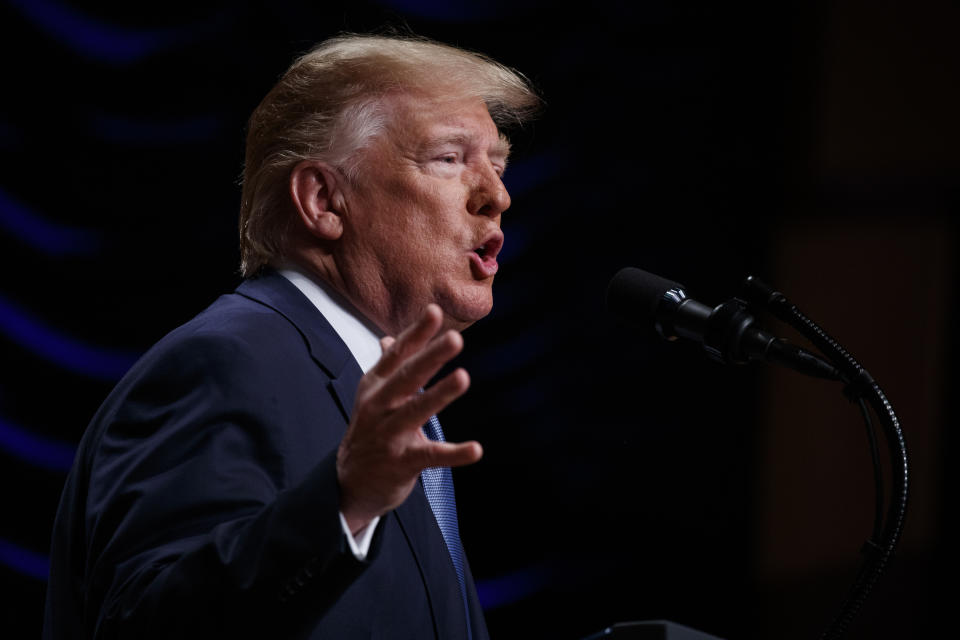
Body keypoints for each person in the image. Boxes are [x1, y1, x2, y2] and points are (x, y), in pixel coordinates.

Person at [43, 33, 540, 639]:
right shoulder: (228, 362)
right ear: (324, 200)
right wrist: (342, 501)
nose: (498, 195)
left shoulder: (385, 409)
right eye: (449, 158)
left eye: (499, 162)